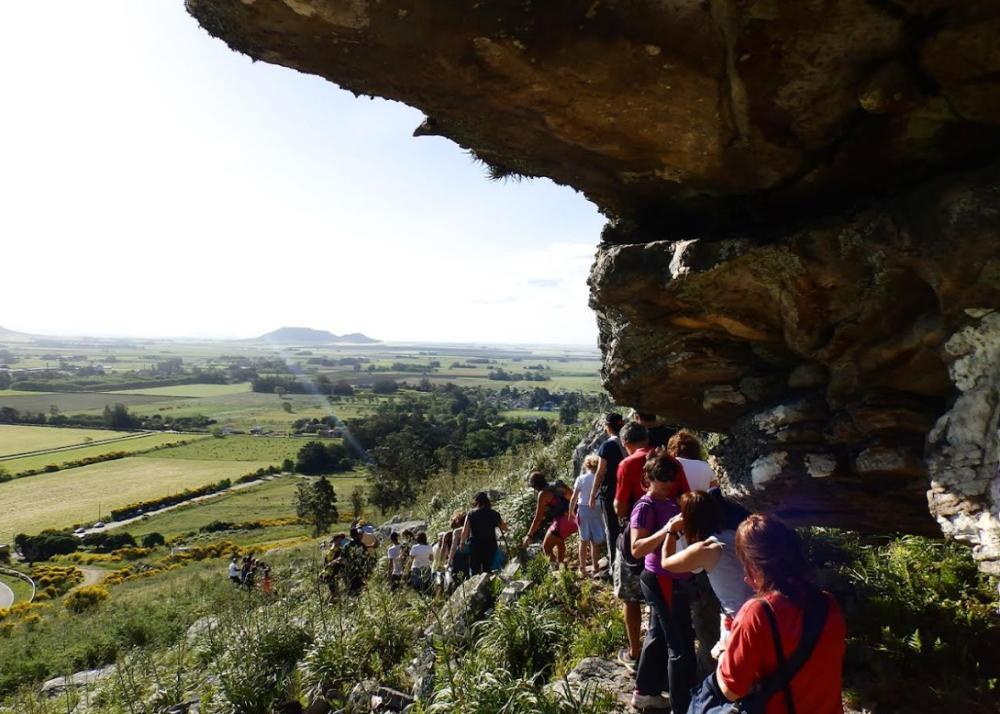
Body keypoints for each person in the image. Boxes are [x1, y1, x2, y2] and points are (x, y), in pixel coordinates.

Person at [693, 513, 846, 714]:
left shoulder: (758, 613)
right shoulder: (828, 603)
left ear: (753, 565)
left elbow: (731, 690)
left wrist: (723, 651)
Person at [628, 450, 695, 712]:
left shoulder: (671, 501)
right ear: (650, 477)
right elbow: (637, 548)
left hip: (674, 577)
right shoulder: (645, 507)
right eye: (662, 478)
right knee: (680, 646)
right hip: (661, 578)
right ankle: (683, 705)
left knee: (657, 636)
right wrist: (667, 529)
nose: (668, 483)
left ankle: (644, 693)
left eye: (672, 477)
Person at [660, 491, 753, 659]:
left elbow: (666, 563)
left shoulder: (707, 549)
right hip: (758, 611)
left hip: (737, 619)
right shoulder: (735, 535)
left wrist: (671, 531)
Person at [611, 421, 650, 669]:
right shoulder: (667, 459)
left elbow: (620, 505)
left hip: (636, 536)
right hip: (666, 535)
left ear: (626, 444)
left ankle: (635, 652)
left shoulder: (628, 464)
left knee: (630, 597)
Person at [588, 413, 627, 569]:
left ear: (608, 426)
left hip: (609, 491)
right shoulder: (627, 442)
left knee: (611, 529)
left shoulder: (607, 445)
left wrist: (592, 495)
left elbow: (600, 472)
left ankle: (614, 566)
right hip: (626, 489)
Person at [522, 471, 576, 567]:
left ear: (535, 486)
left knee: (546, 547)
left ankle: (554, 568)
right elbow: (573, 495)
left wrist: (529, 535)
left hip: (562, 522)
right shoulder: (557, 485)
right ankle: (561, 566)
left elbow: (538, 518)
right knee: (559, 541)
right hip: (575, 518)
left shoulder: (543, 494)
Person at [570, 454, 604, 577]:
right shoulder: (599, 478)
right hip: (597, 508)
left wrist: (571, 512)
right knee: (595, 541)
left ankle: (583, 568)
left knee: (583, 540)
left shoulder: (581, 479)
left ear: (586, 465)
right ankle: (595, 567)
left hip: (583, 509)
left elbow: (574, 497)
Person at [461, 491, 508, 574]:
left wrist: (462, 543)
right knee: (489, 570)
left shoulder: (471, 514)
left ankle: (474, 585)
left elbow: (465, 531)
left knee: (474, 569)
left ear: (477, 502)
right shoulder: (494, 513)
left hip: (475, 546)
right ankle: (489, 585)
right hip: (490, 545)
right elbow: (504, 528)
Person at [447, 510, 470, 586]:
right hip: (470, 554)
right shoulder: (471, 528)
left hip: (459, 556)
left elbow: (453, 547)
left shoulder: (457, 531)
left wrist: (449, 561)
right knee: (468, 576)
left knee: (457, 577)